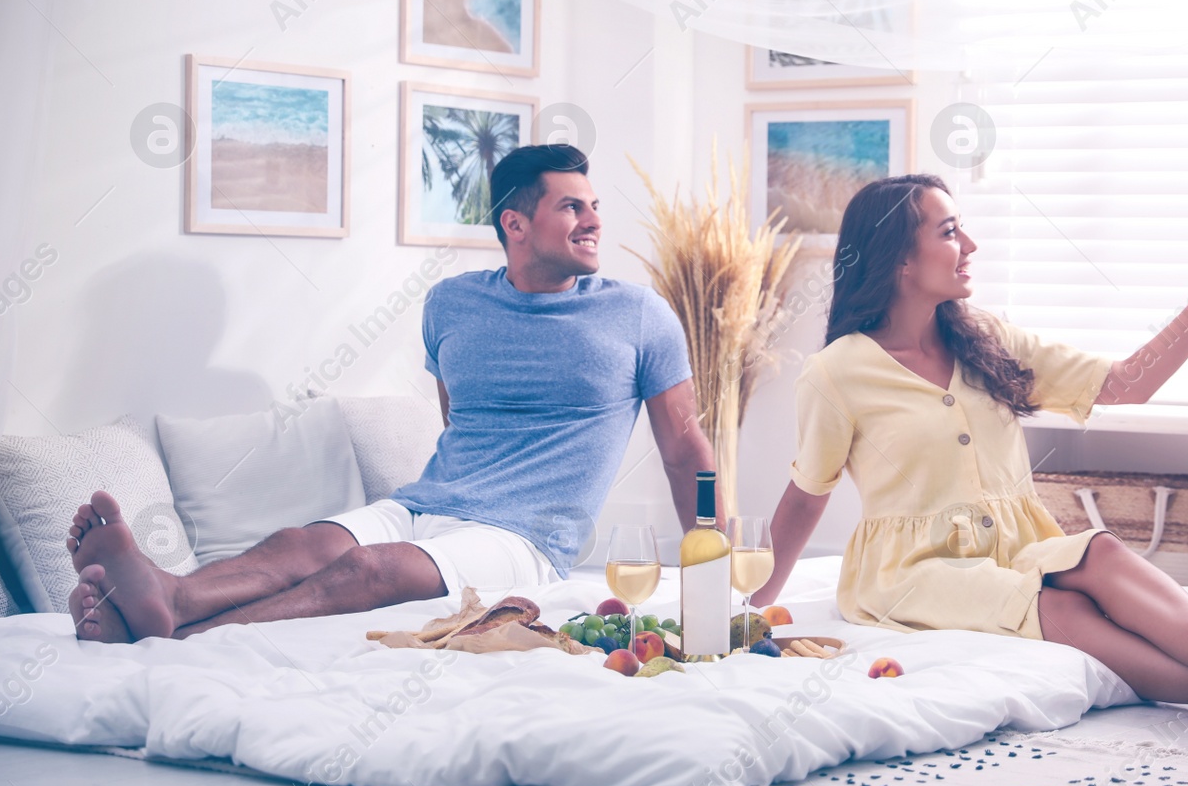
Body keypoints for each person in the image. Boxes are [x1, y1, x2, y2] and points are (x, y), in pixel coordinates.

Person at [751, 174, 1188, 725]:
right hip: (914, 572)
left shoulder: (987, 340)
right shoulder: (836, 373)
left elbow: (1130, 382)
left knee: (1100, 551)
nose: (972, 245)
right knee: (1060, 611)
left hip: (1019, 545)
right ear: (900, 260)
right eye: (952, 231)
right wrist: (748, 606)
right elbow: (807, 497)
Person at [66, 143, 713, 641]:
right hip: (426, 504)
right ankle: (170, 593)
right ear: (515, 224)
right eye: (573, 206)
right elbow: (458, 418)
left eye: (595, 205)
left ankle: (181, 636)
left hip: (525, 538)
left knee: (368, 570)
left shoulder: (640, 315)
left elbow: (686, 447)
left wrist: (711, 567)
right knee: (301, 544)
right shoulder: (451, 304)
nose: (594, 220)